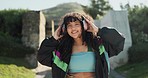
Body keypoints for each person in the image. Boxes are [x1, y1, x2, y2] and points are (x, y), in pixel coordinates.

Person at [37, 12, 125, 78]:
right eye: (69, 25)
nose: (73, 28)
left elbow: (119, 42)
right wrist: (53, 38)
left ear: (85, 26)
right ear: (65, 29)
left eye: (76, 24)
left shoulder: (98, 45)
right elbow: (42, 57)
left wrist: (98, 30)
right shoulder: (61, 49)